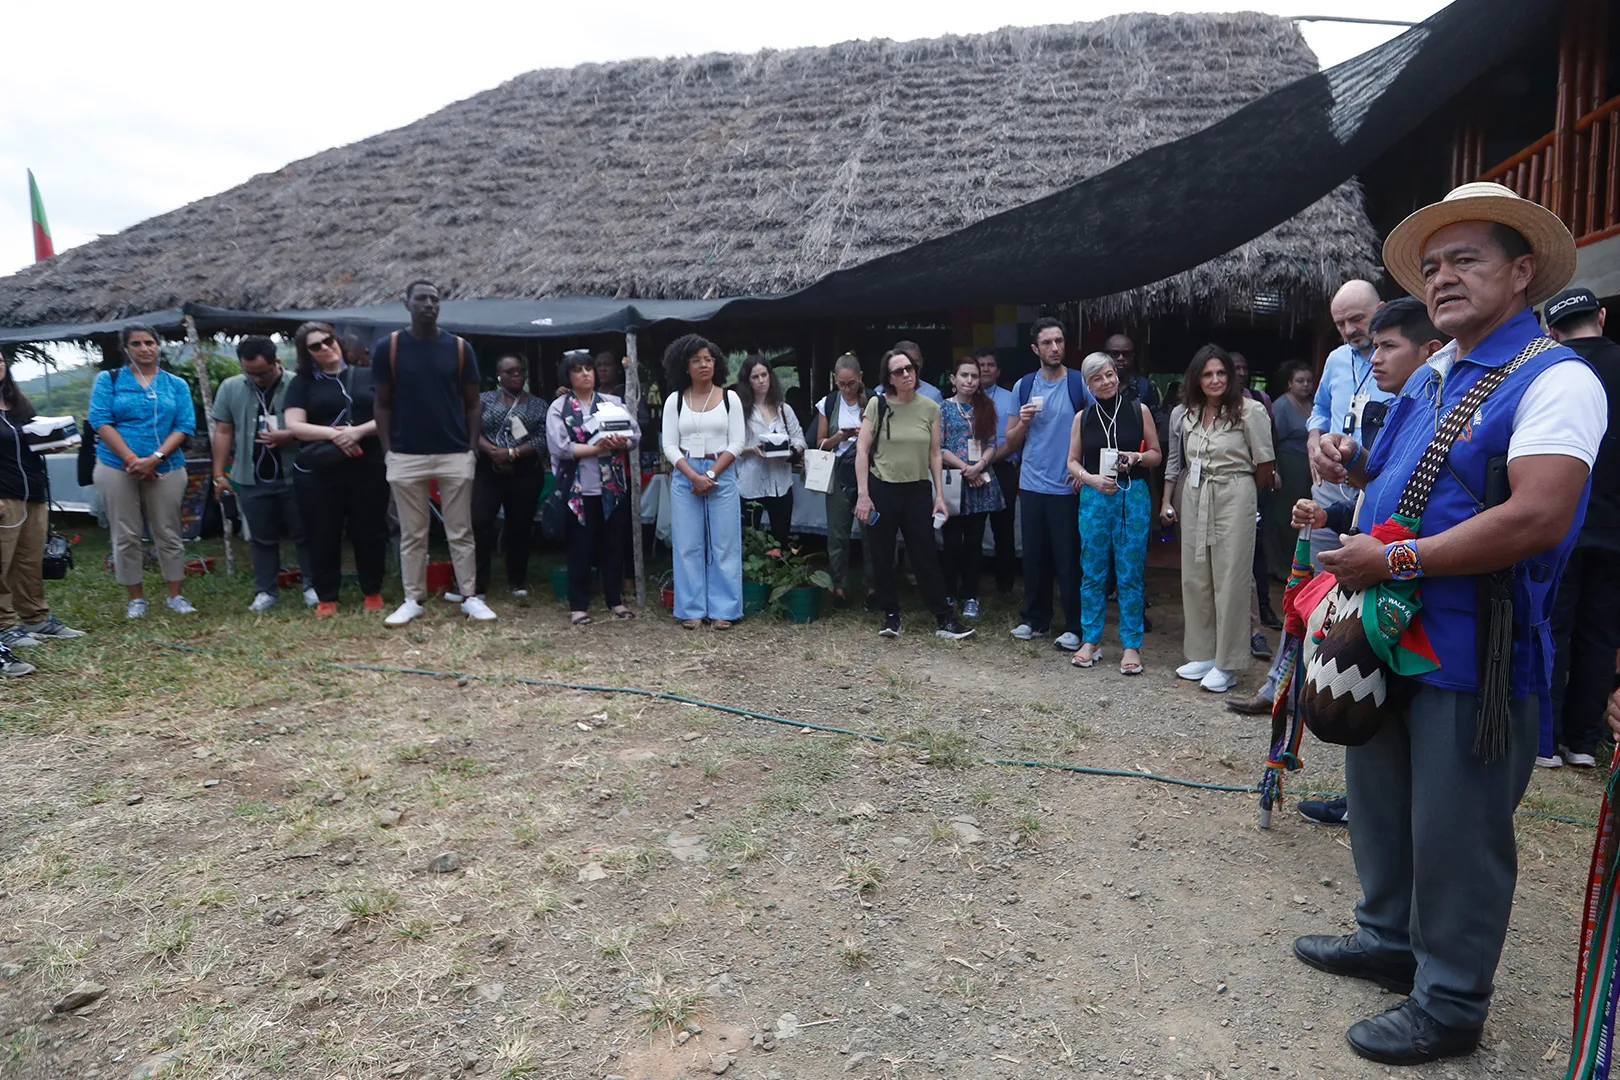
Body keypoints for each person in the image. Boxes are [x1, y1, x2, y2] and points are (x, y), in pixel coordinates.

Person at [1293, 182, 1604, 1065]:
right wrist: (1346, 461)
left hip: (1479, 642)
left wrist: (1392, 560)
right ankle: (1389, 938)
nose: (1442, 277)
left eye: (1465, 258)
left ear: (1522, 270)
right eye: (1431, 266)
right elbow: (1394, 479)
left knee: (1458, 830)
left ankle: (1452, 1001)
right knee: (1380, 798)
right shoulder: (1436, 373)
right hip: (1391, 628)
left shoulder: (1558, 379)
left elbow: (1537, 517)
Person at [1231, 298, 1450, 829]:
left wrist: (1391, 556)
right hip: (1369, 552)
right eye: (1367, 342)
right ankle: (1368, 805)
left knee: (1387, 698)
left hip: (1411, 587)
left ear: (1430, 352)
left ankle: (1386, 813)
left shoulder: (1445, 407)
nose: (1373, 356)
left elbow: (1431, 510)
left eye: (1386, 345)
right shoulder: (1406, 404)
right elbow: (1380, 488)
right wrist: (1339, 485)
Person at [371, 281, 495, 626]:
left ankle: (470, 595)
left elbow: (473, 404)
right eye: (421, 299)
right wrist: (388, 450)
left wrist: (471, 448)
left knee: (461, 529)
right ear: (406, 303)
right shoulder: (390, 348)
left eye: (434, 300)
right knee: (413, 532)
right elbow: (381, 403)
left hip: (454, 452)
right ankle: (413, 598)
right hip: (405, 453)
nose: (429, 305)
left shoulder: (458, 348)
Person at [1160, 344, 1274, 693]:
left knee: (1231, 580)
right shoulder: (1187, 413)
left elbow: (1265, 466)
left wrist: (1243, 496)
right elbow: (1180, 460)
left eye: (1221, 373)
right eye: (1207, 374)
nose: (1215, 380)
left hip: (1234, 492)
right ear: (1196, 378)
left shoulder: (1249, 411)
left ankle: (1228, 663)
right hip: (1195, 495)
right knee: (1196, 576)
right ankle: (1203, 653)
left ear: (1232, 375)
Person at [1542, 286, 1620, 768]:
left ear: (1552, 332)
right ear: (1603, 317)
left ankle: (1545, 741)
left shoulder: (1553, 371)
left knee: (1553, 626)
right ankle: (1584, 742)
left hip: (1560, 521)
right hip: (1616, 529)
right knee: (1600, 632)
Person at [853, 349, 973, 640]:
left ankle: (944, 618)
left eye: (909, 368)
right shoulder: (876, 404)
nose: (907, 374)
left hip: (918, 489)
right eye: (899, 371)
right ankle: (891, 616)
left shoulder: (930, 407)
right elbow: (862, 450)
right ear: (889, 378)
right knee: (882, 554)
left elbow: (935, 453)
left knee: (926, 554)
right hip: (882, 488)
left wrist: (939, 494)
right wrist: (863, 494)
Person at [89, 324, 198, 619]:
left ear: (158, 345)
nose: (144, 348)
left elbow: (185, 425)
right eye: (136, 343)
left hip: (167, 466)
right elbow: (99, 420)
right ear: (126, 349)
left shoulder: (176, 384)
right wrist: (132, 460)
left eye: (149, 342)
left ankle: (175, 595)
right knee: (126, 532)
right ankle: (136, 599)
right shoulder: (109, 380)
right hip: (116, 465)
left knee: (169, 530)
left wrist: (155, 458)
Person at [283, 321, 388, 616]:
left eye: (327, 340)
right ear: (307, 353)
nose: (325, 348)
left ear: (337, 340)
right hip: (321, 471)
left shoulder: (368, 375)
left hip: (367, 464)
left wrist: (358, 432)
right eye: (315, 346)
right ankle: (327, 596)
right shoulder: (302, 384)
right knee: (322, 533)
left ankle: (372, 592)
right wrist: (335, 434)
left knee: (370, 531)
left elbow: (390, 414)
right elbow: (294, 426)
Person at [1067, 352, 1161, 674]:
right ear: (1088, 385)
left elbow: (1156, 455)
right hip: (1094, 498)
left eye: (1109, 374)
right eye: (1097, 378)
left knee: (1130, 573)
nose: (1106, 382)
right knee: (1092, 570)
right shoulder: (1083, 418)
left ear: (1117, 376)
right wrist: (1089, 479)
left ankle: (1131, 645)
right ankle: (1090, 640)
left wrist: (1136, 456)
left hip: (1132, 496)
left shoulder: (1139, 410)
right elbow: (1072, 461)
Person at [1006, 317, 1095, 650]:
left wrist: (1082, 471)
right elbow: (1011, 440)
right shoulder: (1024, 386)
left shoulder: (1079, 384)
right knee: (1034, 556)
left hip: (1067, 485)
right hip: (1031, 484)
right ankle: (1035, 620)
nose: (1055, 347)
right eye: (1047, 343)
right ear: (1035, 349)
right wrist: (1024, 422)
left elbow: (1095, 432)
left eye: (1059, 341)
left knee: (1069, 558)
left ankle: (1074, 625)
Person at [210, 336, 316, 612]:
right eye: (250, 373)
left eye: (263, 372)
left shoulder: (298, 383)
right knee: (261, 538)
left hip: (296, 474)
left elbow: (317, 427)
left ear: (276, 362)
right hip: (251, 477)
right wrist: (219, 474)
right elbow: (223, 431)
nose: (257, 378)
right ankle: (266, 591)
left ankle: (312, 586)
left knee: (305, 533)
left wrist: (290, 435)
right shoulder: (231, 388)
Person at [0, 352, 85, 652]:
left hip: (34, 494)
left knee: (29, 559)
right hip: (4, 496)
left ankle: (35, 617)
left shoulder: (19, 404)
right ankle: (4, 625)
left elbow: (32, 447)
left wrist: (56, 443)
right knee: (2, 561)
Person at [1307, 280, 1393, 568]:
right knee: (1322, 572)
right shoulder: (1336, 359)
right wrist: (1313, 437)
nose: (1348, 330)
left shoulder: (1400, 358)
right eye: (1340, 323)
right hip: (1330, 482)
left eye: (1356, 319)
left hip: (1376, 482)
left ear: (1380, 310)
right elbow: (1319, 406)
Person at [549, 349, 639, 625]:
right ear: (569, 376)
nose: (586, 373)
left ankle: (615, 600)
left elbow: (633, 435)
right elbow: (559, 446)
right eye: (578, 370)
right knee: (581, 547)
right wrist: (595, 448)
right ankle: (579, 605)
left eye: (589, 369)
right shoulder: (560, 406)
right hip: (579, 488)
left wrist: (619, 443)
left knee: (613, 544)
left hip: (612, 486)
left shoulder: (612, 402)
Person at [661, 334, 745, 629]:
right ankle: (691, 608)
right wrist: (693, 476)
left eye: (708, 359)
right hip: (686, 473)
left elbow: (737, 443)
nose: (703, 364)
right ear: (685, 366)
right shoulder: (675, 400)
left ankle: (725, 609)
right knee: (687, 544)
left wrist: (709, 475)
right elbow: (669, 445)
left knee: (724, 543)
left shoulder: (730, 398)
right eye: (696, 360)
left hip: (721, 471)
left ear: (716, 363)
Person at [472, 355, 549, 600]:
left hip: (524, 471)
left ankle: (517, 580)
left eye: (520, 371)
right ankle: (478, 582)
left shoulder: (538, 405)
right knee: (479, 521)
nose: (516, 375)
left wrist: (512, 453)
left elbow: (543, 438)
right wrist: (492, 452)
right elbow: (471, 429)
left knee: (519, 525)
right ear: (499, 376)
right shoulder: (483, 400)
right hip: (488, 469)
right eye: (510, 371)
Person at [938, 355, 1005, 620]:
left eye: (974, 376)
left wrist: (980, 466)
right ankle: (948, 592)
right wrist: (966, 469)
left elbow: (991, 444)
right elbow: (939, 448)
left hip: (981, 482)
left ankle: (971, 595)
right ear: (953, 379)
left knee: (975, 543)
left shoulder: (985, 406)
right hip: (955, 481)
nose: (969, 380)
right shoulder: (942, 409)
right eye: (964, 375)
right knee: (952, 542)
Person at [815, 354, 871, 603]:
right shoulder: (828, 403)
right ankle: (838, 586)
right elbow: (820, 444)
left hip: (869, 472)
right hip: (838, 472)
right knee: (837, 533)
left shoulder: (874, 401)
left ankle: (873, 586)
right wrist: (839, 436)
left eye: (851, 383)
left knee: (872, 532)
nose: (847, 388)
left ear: (860, 378)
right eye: (841, 384)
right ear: (835, 381)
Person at [735, 355, 806, 547]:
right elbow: (730, 447)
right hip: (751, 484)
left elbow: (800, 438)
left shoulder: (784, 409)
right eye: (755, 377)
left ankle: (779, 576)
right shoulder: (740, 411)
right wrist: (752, 450)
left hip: (781, 483)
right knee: (750, 541)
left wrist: (792, 452)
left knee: (781, 541)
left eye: (764, 375)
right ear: (747, 381)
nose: (761, 381)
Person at [1264, 361, 1316, 577]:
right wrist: (1274, 470)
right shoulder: (1281, 406)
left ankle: (1299, 565)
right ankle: (1280, 566)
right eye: (1300, 381)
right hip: (1288, 464)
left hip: (1308, 466)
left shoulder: (1314, 404)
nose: (1305, 385)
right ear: (1289, 384)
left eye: (1309, 381)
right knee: (1285, 516)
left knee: (1306, 515)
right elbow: (1271, 441)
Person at [976, 348, 1019, 601]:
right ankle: (972, 586)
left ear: (998, 370)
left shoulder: (1010, 398)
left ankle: (1006, 587)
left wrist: (989, 459)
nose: (985, 369)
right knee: (973, 528)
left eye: (990, 365)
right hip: (970, 470)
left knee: (1004, 529)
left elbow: (1014, 439)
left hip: (1002, 467)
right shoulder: (964, 398)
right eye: (981, 365)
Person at [1104, 332, 1162, 421]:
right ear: (1105, 356)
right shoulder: (1095, 387)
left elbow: (1156, 424)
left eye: (1126, 354)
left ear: (1132, 357)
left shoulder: (1146, 387)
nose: (1120, 358)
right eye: (1115, 353)